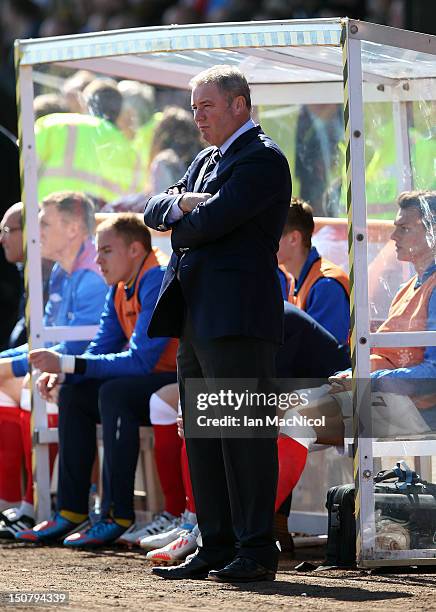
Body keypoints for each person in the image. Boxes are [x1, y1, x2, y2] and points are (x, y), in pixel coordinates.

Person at [143, 65, 292, 582]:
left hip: (237, 318)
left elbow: (206, 225)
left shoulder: (263, 158)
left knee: (244, 438)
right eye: (193, 107)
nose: (197, 116)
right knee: (204, 438)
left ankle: (255, 549)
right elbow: (153, 210)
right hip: (198, 317)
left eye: (207, 105)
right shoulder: (208, 159)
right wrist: (181, 204)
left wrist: (182, 219)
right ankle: (215, 543)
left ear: (240, 105)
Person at [17, 214, 178, 548]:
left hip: (176, 380)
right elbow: (101, 347)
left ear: (135, 249)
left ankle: (117, 514)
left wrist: (68, 362)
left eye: (106, 251)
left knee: (115, 393)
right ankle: (72, 511)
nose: (98, 259)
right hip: (147, 381)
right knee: (75, 391)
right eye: (97, 251)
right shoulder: (119, 284)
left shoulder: (157, 277)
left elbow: (142, 360)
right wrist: (65, 371)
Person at [276, 190, 436, 511]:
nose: (392, 236)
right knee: (274, 412)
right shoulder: (411, 285)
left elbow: (432, 374)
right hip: (383, 396)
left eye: (404, 228)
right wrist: (354, 375)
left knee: (293, 419)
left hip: (414, 405)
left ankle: (245, 532)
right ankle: (247, 528)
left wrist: (367, 379)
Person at [0, 191, 107, 536]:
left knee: (22, 385)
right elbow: (42, 343)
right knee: (14, 386)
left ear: (73, 228)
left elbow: (80, 344)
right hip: (62, 370)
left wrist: (12, 367)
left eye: (44, 223)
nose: (37, 232)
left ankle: (29, 505)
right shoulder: (63, 271)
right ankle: (22, 504)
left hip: (86, 373)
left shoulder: (92, 275)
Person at [35, 80, 144, 203]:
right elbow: (133, 200)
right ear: (119, 112)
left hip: (48, 212)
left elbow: (26, 166)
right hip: (99, 219)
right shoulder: (131, 153)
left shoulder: (54, 125)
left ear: (85, 103)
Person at [278, 197, 350, 345]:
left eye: (271, 234)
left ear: (294, 238)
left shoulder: (327, 286)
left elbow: (325, 354)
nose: (264, 241)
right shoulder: (295, 280)